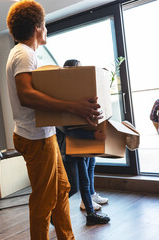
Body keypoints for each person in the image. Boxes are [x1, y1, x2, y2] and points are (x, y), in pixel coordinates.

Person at [6, 2, 102, 239]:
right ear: (38, 27)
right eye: (45, 25)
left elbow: (43, 104)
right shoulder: (24, 53)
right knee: (44, 198)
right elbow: (27, 95)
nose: (46, 29)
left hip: (43, 135)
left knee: (62, 190)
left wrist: (78, 114)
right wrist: (74, 107)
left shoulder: (25, 54)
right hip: (36, 138)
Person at [56, 59, 110, 226]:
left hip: (82, 144)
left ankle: (91, 214)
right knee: (72, 186)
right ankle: (53, 212)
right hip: (70, 147)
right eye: (78, 70)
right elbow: (68, 129)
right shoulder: (64, 99)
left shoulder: (80, 96)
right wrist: (93, 135)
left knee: (85, 180)